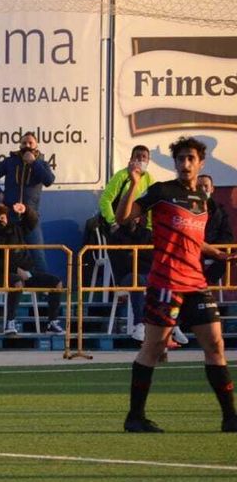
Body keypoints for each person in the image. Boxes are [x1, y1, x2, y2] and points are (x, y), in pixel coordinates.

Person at [121, 138, 237, 432]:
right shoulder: (162, 191)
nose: (185, 164)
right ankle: (135, 417)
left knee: (215, 344)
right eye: (181, 159)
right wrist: (133, 183)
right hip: (166, 282)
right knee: (153, 347)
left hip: (196, 282)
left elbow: (194, 240)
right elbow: (123, 218)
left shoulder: (202, 199)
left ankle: (230, 418)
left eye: (190, 159)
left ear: (201, 163)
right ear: (175, 163)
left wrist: (216, 253)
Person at [0, 202, 67, 336]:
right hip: (0, 276)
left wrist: (26, 210)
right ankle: (10, 322)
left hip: (27, 273)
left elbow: (32, 222)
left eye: (2, 218)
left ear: (7, 219)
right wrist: (17, 270)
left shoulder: (15, 230)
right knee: (17, 282)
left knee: (56, 282)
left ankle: (52, 323)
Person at [95, 145, 156, 341]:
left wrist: (149, 228)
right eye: (137, 156)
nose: (141, 159)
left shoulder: (150, 180)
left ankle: (172, 325)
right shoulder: (121, 176)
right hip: (120, 231)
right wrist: (114, 223)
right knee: (133, 276)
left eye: (144, 157)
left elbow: (153, 207)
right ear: (131, 158)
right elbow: (105, 200)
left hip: (142, 234)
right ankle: (140, 324)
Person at [0, 132, 56, 273]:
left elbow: (48, 180)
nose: (27, 145)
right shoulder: (10, 162)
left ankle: (44, 286)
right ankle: (13, 284)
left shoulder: (42, 163)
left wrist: (33, 162)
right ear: (20, 145)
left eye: (30, 143)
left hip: (30, 218)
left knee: (38, 257)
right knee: (10, 257)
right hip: (10, 217)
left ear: (36, 145)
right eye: (24, 143)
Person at [198, 173, 233, 291]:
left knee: (229, 256)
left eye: (206, 186)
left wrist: (216, 249)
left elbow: (227, 234)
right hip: (195, 247)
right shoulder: (187, 208)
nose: (203, 189)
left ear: (212, 189)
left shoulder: (219, 211)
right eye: (199, 186)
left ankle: (204, 284)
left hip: (214, 247)